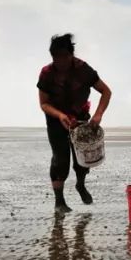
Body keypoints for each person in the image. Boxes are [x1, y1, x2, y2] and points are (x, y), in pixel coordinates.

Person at [36, 33, 112, 213]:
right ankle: (59, 201)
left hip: (80, 119)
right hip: (57, 120)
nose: (59, 61)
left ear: (71, 55)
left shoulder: (83, 69)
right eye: (55, 57)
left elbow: (106, 91)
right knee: (60, 159)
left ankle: (80, 184)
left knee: (83, 161)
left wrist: (98, 115)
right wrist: (60, 115)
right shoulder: (47, 73)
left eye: (63, 57)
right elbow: (44, 104)